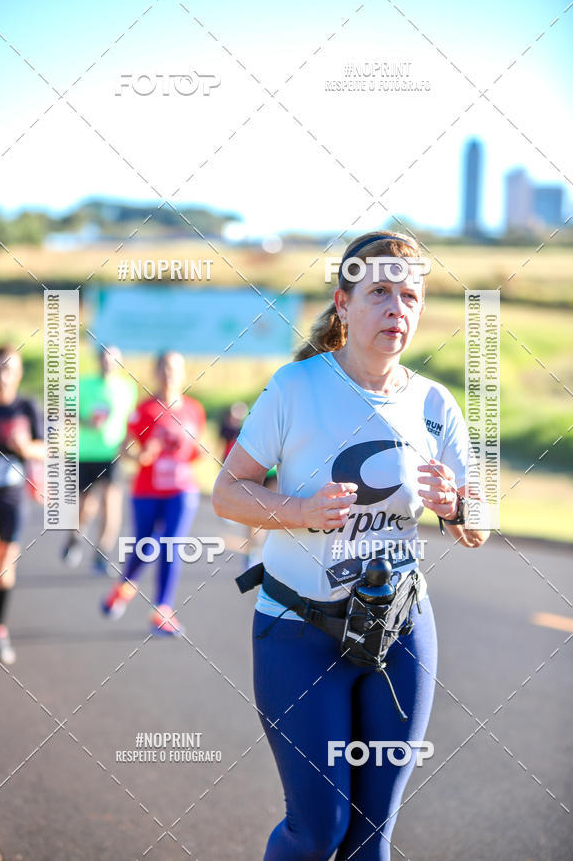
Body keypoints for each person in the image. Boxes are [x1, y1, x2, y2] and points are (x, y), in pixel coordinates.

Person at [212, 231, 489, 860]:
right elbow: (228, 494)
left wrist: (456, 508)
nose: (397, 308)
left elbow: (477, 526)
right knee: (318, 833)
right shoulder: (294, 388)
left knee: (371, 842)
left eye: (410, 296)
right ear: (343, 303)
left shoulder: (435, 404)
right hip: (297, 632)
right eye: (380, 293)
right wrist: (301, 510)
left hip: (401, 632)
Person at [101, 351, 205, 636]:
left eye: (175, 368)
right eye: (164, 368)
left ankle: (162, 609)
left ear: (183, 373)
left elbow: (195, 450)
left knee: (171, 544)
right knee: (145, 546)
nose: (169, 373)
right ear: (156, 372)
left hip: (182, 489)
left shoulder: (194, 410)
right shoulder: (146, 410)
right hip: (147, 489)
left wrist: (196, 456)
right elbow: (124, 448)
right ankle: (123, 587)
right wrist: (140, 458)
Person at [0, 345, 43, 666]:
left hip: (12, 503)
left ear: (19, 376)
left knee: (3, 571)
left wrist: (26, 447)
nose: (4, 377)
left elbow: (47, 449)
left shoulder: (26, 407)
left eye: (11, 370)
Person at [62, 345, 137, 574]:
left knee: (110, 505)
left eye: (113, 359)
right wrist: (86, 421)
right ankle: (74, 537)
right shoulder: (83, 386)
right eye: (105, 358)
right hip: (84, 453)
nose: (108, 363)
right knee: (85, 506)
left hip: (111, 454)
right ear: (98, 361)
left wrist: (129, 447)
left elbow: (131, 423)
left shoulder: (127, 389)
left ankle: (102, 554)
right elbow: (66, 413)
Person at [219, 401, 277, 569]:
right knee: (256, 517)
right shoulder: (256, 413)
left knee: (275, 516)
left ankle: (268, 555)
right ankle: (252, 554)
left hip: (275, 474)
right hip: (259, 472)